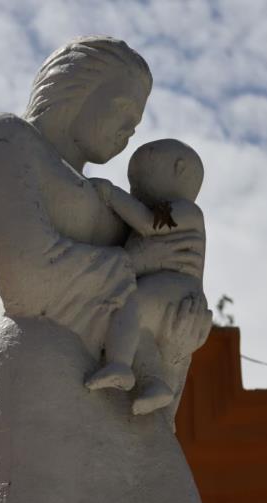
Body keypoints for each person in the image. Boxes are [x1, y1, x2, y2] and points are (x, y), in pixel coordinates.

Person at [0, 37, 216, 503]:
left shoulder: (120, 203)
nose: (131, 131)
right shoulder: (5, 141)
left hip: (123, 401)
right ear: (80, 91)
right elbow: (24, 280)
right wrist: (134, 263)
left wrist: (175, 337)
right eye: (124, 110)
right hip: (38, 377)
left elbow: (136, 320)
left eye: (139, 119)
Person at [86, 138, 206, 416]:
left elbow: (149, 224)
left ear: (180, 170)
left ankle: (118, 364)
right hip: (166, 293)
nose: (135, 189)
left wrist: (111, 194)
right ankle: (154, 384)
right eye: (131, 183)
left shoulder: (185, 210)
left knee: (131, 306)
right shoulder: (176, 211)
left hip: (177, 290)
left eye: (139, 179)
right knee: (140, 335)